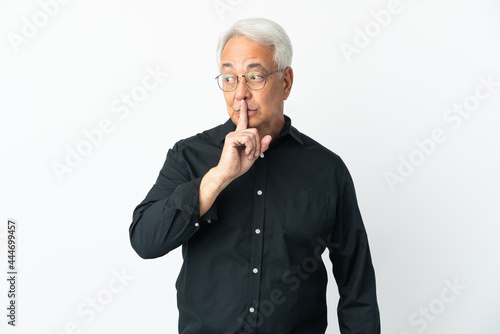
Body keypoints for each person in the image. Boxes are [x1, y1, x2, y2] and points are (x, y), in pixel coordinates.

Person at [129, 18, 380, 334]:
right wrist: (218, 177)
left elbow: (357, 285)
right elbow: (145, 241)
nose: (240, 93)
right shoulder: (189, 156)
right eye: (230, 78)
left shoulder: (327, 169)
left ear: (285, 82)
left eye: (255, 76)